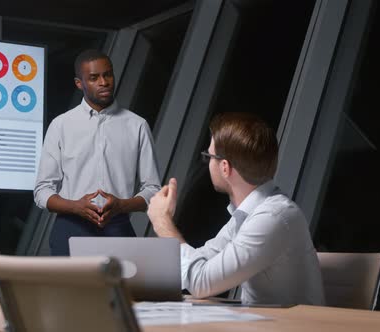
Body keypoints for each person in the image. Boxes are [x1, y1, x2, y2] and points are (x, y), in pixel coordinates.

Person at [147, 112, 325, 305]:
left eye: (208, 156)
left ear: (225, 167)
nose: (206, 164)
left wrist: (162, 221)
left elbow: (200, 282)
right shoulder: (247, 216)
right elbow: (199, 262)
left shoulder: (273, 217)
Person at [34, 49, 161, 256]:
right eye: (94, 78)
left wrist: (121, 205)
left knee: (124, 290)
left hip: (118, 227)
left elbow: (153, 189)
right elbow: (42, 190)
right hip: (70, 228)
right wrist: (75, 207)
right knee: (70, 290)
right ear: (79, 83)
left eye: (107, 74)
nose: (103, 82)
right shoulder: (61, 125)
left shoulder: (137, 125)